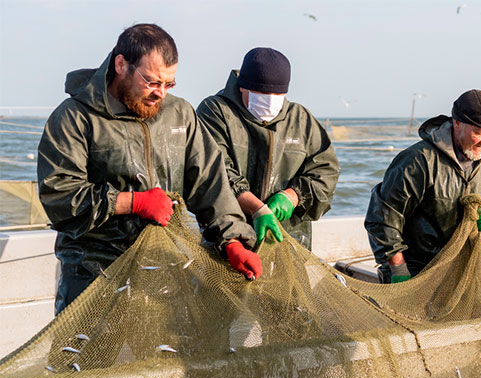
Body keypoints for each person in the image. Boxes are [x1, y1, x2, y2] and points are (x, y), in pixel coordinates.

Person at [38, 23, 262, 314]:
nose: (161, 94)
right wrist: (134, 202)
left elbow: (210, 182)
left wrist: (232, 240)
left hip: (164, 271)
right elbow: (59, 196)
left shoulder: (180, 114)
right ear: (121, 64)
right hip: (94, 274)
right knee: (91, 360)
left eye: (169, 84)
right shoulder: (74, 118)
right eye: (152, 82)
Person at [365, 89, 481, 283]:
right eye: (480, 133)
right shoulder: (419, 161)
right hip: (419, 267)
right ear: (457, 123)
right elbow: (382, 216)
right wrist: (399, 268)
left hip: (470, 269)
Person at [197, 47, 340, 250]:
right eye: (262, 93)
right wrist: (257, 209)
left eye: (278, 93)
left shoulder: (300, 118)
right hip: (230, 239)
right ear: (242, 87)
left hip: (289, 241)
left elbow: (326, 170)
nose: (271, 100)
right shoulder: (215, 111)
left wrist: (292, 196)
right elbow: (213, 171)